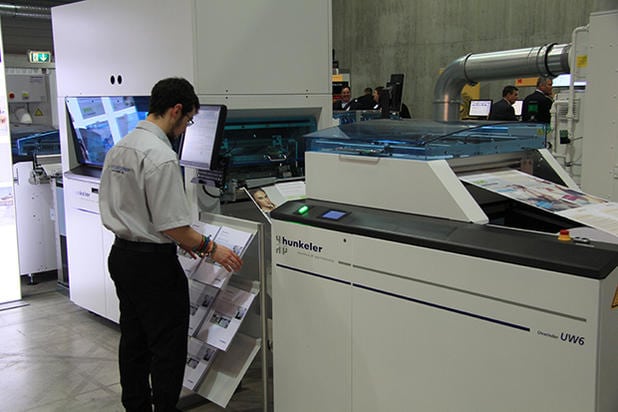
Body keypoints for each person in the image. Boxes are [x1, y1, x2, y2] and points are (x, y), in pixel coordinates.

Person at [99, 77, 243, 412]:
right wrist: (212, 248)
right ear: (176, 110)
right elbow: (173, 225)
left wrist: (177, 238)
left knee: (134, 340)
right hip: (153, 267)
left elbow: (132, 208)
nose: (185, 128)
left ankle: (135, 406)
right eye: (188, 120)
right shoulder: (161, 156)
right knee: (167, 347)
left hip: (122, 256)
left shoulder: (121, 147)